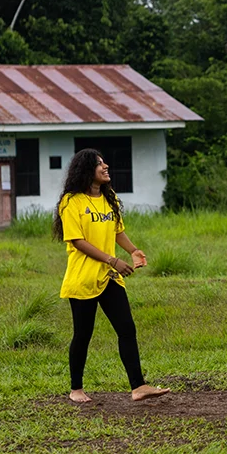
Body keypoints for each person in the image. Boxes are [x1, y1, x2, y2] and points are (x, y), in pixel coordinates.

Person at [52, 149, 168, 403]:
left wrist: (133, 251)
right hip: (83, 278)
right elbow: (78, 241)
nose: (105, 167)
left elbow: (117, 231)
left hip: (109, 277)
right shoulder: (71, 202)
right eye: (99, 164)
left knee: (126, 328)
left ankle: (138, 387)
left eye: (104, 162)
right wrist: (113, 260)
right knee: (83, 334)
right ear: (86, 170)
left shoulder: (109, 197)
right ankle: (76, 389)